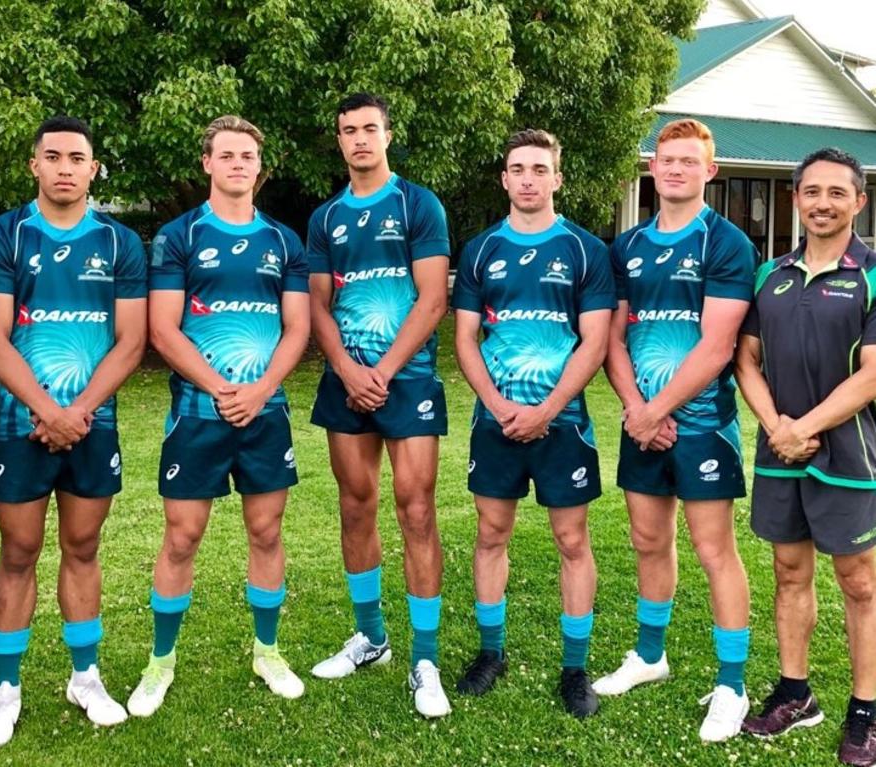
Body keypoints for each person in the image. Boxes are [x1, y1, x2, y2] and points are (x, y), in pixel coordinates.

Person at [0, 116, 148, 749]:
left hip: (92, 425)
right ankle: (5, 690)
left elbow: (132, 340)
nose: (66, 167)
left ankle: (85, 676)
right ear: (34, 166)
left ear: (94, 168)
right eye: (54, 156)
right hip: (22, 425)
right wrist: (48, 410)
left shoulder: (120, 241)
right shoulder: (0, 237)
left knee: (82, 548)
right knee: (17, 553)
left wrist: (78, 413)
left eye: (78, 157)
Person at [127, 115, 310, 717]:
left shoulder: (283, 241)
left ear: (260, 166)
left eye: (247, 156)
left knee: (266, 532)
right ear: (207, 163)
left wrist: (258, 390)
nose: (237, 164)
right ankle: (160, 663)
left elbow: (297, 327)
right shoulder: (178, 236)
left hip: (267, 410)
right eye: (225, 155)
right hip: (198, 412)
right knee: (182, 536)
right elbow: (162, 327)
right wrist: (221, 387)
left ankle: (268, 650)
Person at [594, 118, 757, 742]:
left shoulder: (727, 243)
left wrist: (657, 411)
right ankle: (650, 655)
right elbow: (612, 336)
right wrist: (637, 409)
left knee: (715, 550)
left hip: (702, 425)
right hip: (644, 422)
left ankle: (732, 684)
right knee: (647, 540)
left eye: (689, 161)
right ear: (652, 168)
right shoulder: (626, 246)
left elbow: (717, 347)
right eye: (667, 160)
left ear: (709, 171)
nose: (676, 170)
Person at [451, 129, 615, 717]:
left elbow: (595, 342)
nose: (528, 178)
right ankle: (490, 653)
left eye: (539, 169)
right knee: (491, 534)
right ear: (504, 179)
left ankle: (575, 669)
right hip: (494, 419)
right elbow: (466, 338)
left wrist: (546, 410)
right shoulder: (479, 250)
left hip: (563, 421)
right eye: (517, 168)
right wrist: (499, 407)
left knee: (572, 540)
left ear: (557, 178)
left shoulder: (584, 249)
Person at [307, 93, 452, 717]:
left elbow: (431, 299)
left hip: (408, 377)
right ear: (339, 141)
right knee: (355, 504)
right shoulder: (326, 216)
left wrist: (384, 371)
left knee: (415, 508)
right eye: (348, 130)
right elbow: (317, 303)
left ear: (388, 135)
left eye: (370, 128)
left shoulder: (417, 204)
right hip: (347, 381)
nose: (360, 139)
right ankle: (371, 638)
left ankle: (424, 658)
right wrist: (345, 368)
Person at [736, 147, 876, 765]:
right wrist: (777, 428)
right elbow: (747, 360)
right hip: (779, 451)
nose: (823, 203)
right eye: (812, 192)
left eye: (837, 193)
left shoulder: (872, 274)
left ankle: (865, 711)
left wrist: (808, 427)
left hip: (853, 455)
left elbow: (872, 376)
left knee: (860, 582)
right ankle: (796, 693)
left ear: (859, 201)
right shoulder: (771, 275)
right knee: (790, 574)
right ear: (797, 199)